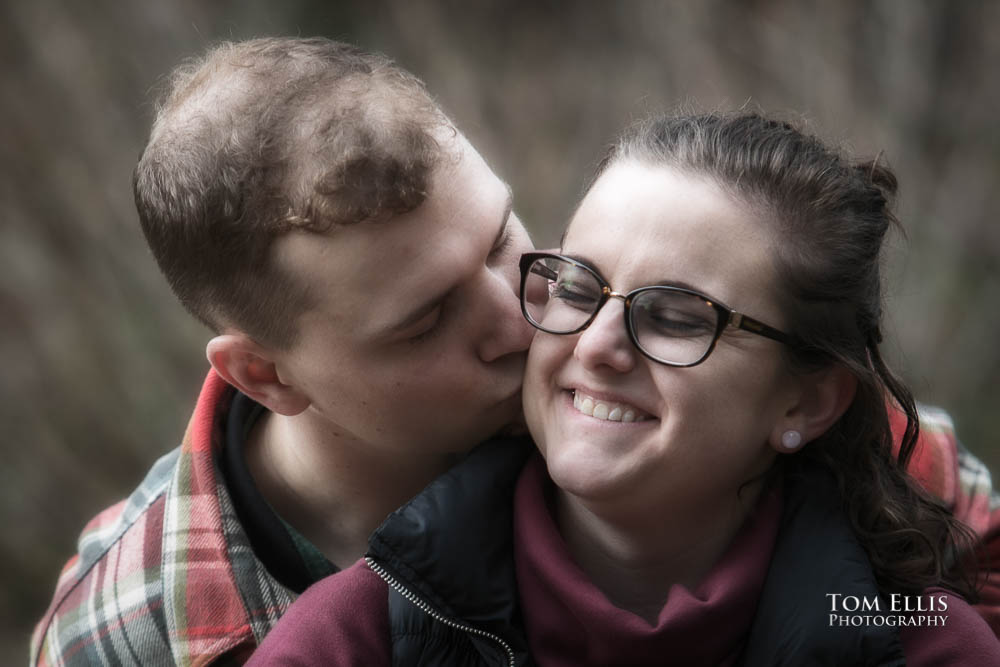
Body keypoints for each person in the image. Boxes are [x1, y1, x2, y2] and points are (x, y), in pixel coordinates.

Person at [249, 112, 1000, 665]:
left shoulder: (925, 646)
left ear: (805, 401)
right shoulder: (357, 637)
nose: (597, 344)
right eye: (578, 286)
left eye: (675, 316)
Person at [30, 37, 534, 665]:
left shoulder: (625, 410)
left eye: (500, 242)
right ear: (265, 375)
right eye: (427, 322)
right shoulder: (113, 634)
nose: (522, 325)